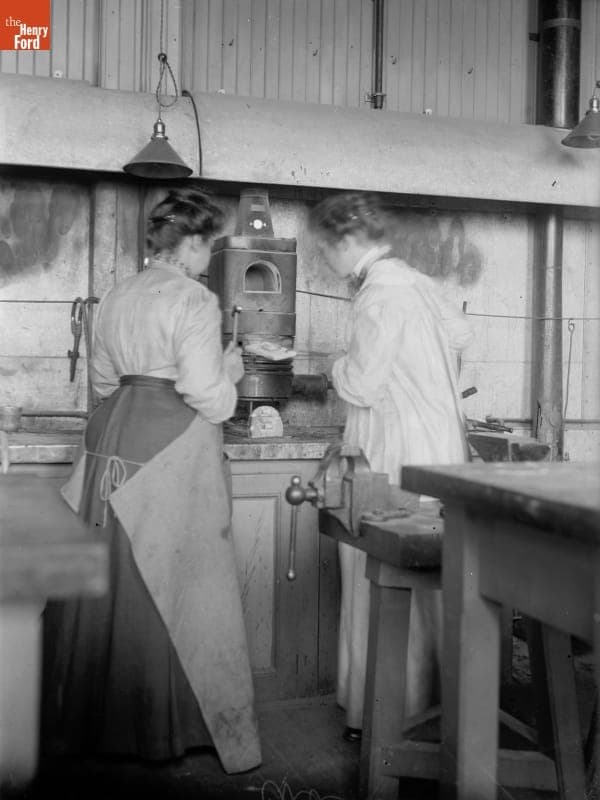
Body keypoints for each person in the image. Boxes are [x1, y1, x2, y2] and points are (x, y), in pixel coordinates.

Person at [41, 188, 262, 774]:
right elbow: (204, 395)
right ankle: (158, 731)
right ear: (191, 241)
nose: (207, 256)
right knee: (172, 578)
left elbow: (104, 381)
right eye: (209, 245)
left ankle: (82, 723)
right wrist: (231, 375)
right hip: (168, 439)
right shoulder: (195, 299)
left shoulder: (115, 294)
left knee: (108, 574)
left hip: (111, 432)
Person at [306, 191, 473, 741]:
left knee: (379, 577)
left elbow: (362, 382)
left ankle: (381, 717)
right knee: (433, 586)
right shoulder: (417, 283)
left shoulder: (378, 295)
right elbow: (465, 339)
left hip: (394, 451)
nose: (325, 261)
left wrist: (331, 366)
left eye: (326, 250)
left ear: (348, 240)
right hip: (439, 450)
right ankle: (431, 716)